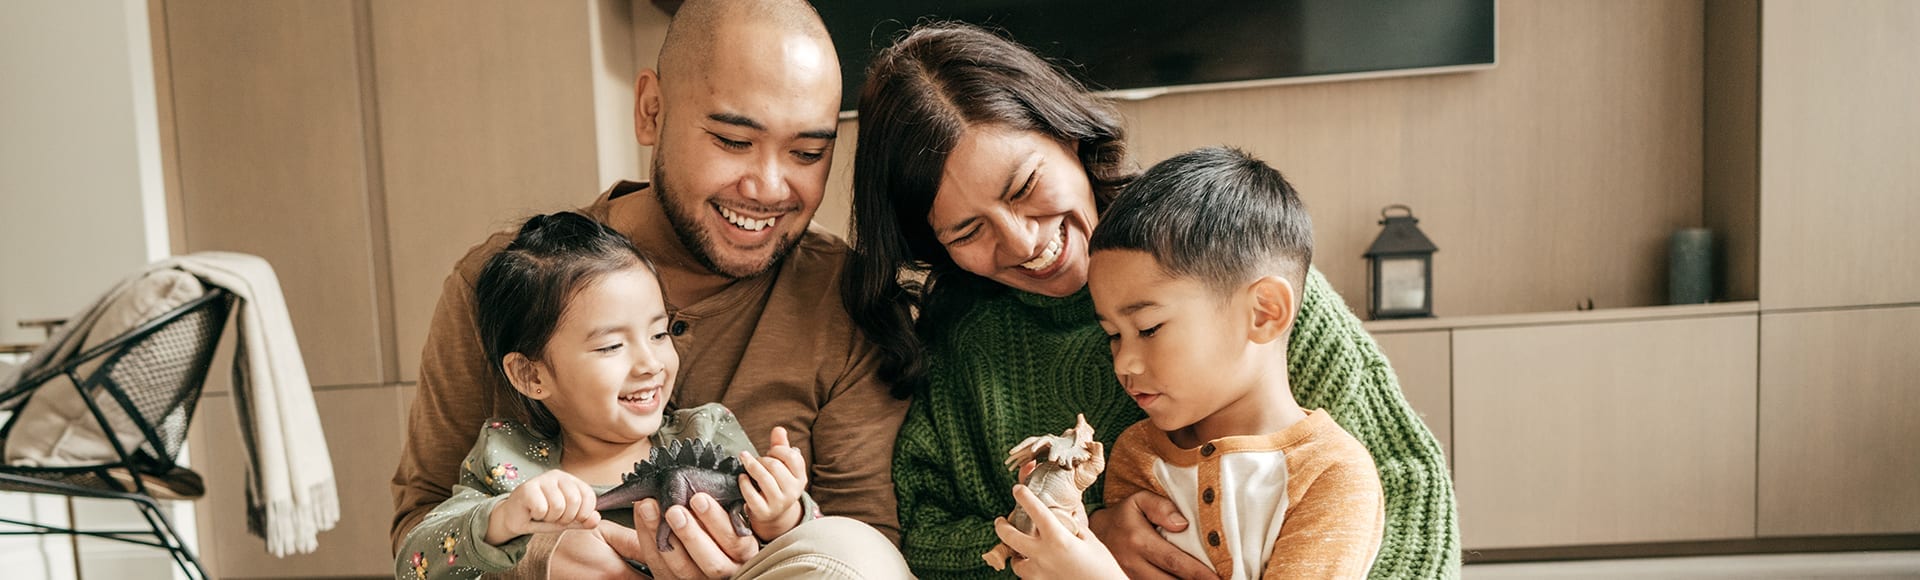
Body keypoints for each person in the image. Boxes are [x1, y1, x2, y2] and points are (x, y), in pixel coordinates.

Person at [841, 22, 1458, 579]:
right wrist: (1073, 540)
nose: (1024, 241)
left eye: (1025, 185)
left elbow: (1409, 492)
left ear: (1069, 137)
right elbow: (924, 540)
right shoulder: (959, 346)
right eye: (967, 232)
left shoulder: (1228, 270)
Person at [391, 1, 910, 578]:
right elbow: (418, 539)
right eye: (734, 141)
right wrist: (534, 557)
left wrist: (778, 529)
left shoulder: (848, 297)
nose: (767, 187)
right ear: (651, 111)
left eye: (808, 153)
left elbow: (863, 546)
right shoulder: (501, 289)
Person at [996, 147, 1385, 579]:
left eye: (1148, 328)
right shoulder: (1136, 454)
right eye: (1112, 335)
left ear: (1264, 312)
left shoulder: (1331, 475)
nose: (1125, 362)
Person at [396, 212, 828, 579]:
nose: (650, 364)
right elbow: (414, 563)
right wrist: (502, 520)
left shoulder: (707, 431)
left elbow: (813, 548)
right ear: (531, 374)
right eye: (610, 347)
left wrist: (781, 515)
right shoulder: (507, 459)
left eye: (660, 333)